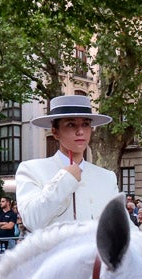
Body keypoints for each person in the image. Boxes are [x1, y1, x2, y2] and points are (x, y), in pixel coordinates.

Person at [15, 94, 119, 232]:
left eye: (86, 124)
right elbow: (32, 220)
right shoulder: (31, 169)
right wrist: (64, 180)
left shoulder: (106, 177)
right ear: (55, 132)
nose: (80, 131)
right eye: (71, 124)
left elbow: (120, 225)